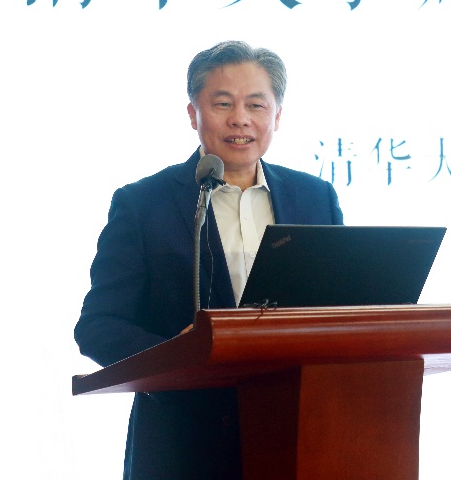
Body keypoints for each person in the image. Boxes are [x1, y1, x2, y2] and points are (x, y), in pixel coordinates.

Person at [74, 41, 343, 479]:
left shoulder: (315, 198)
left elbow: (343, 308)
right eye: (222, 104)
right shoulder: (144, 204)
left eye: (256, 104)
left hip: (299, 433)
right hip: (183, 443)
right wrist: (175, 355)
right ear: (193, 113)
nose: (240, 119)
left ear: (277, 115)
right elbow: (98, 327)